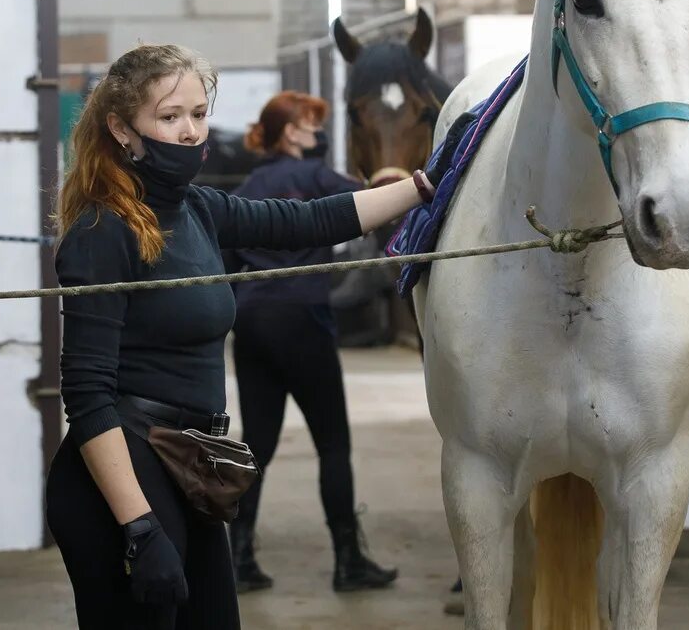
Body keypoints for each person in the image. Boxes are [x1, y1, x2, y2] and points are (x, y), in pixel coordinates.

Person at [44, 45, 445, 630]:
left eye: (199, 114)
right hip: (129, 476)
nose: (189, 132)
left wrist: (427, 183)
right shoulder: (103, 232)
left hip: (194, 467)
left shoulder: (198, 209)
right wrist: (138, 525)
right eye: (168, 116)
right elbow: (86, 397)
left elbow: (313, 220)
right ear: (121, 128)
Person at [225, 91, 397, 594]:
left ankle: (238, 559)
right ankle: (348, 561)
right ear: (289, 133)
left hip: (252, 321)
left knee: (255, 444)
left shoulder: (248, 187)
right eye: (308, 124)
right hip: (302, 319)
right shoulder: (319, 179)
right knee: (333, 444)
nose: (315, 132)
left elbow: (231, 257)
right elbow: (373, 199)